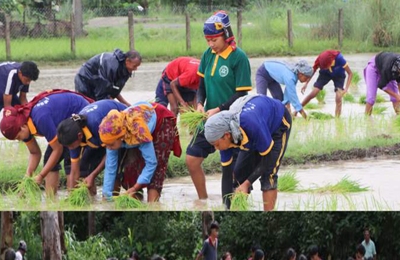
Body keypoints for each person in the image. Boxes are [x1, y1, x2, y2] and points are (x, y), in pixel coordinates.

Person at [186, 10, 252, 202]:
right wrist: (199, 103)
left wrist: (219, 108)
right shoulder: (208, 55)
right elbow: (201, 85)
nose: (211, 44)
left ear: (226, 35)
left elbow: (242, 92)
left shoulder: (238, 57)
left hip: (233, 119)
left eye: (214, 39)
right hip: (208, 119)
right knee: (191, 160)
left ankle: (236, 204)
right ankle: (203, 201)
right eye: (208, 40)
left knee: (234, 169)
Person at [204, 95, 292, 210]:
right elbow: (227, 174)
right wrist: (225, 208)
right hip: (253, 128)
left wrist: (247, 183)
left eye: (216, 144)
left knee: (269, 175)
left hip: (278, 123)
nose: (216, 148)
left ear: (226, 135)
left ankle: (269, 221)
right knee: (239, 175)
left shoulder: (251, 125)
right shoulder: (224, 139)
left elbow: (267, 158)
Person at [0, 90, 93, 195]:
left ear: (22, 127)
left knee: (70, 161)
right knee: (49, 159)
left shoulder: (40, 118)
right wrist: (26, 179)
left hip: (79, 112)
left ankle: (76, 198)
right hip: (62, 123)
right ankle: (51, 201)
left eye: (18, 137)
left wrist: (41, 176)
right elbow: (35, 153)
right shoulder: (23, 125)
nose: (19, 140)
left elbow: (58, 149)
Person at [98, 101, 182, 203]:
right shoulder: (111, 134)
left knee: (157, 169)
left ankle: (153, 206)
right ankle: (138, 200)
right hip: (137, 126)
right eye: (106, 144)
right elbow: (110, 166)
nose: (109, 148)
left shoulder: (138, 132)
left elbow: (151, 163)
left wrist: (134, 188)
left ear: (120, 137)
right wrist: (106, 195)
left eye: (111, 145)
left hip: (161, 122)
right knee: (131, 168)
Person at [55, 99, 127, 195]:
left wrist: (93, 175)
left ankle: (111, 202)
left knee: (114, 170)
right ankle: (92, 201)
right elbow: (74, 170)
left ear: (80, 136)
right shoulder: (73, 134)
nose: (71, 148)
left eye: (71, 146)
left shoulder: (96, 125)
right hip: (99, 136)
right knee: (84, 169)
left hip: (121, 132)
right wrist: (72, 195)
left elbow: (110, 154)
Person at [0, 61, 40, 142]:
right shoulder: (11, 75)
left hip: (7, 92)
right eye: (27, 80)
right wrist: (9, 121)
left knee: (21, 115)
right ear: (20, 73)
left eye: (30, 80)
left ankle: (24, 144)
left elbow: (23, 98)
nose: (28, 82)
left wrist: (28, 114)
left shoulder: (27, 75)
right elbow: (7, 107)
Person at [74, 49, 142, 105]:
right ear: (127, 61)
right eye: (135, 66)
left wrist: (127, 105)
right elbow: (102, 94)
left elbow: (115, 91)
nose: (135, 69)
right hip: (85, 80)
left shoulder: (126, 71)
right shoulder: (111, 67)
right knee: (87, 106)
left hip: (97, 84)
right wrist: (117, 105)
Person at [301, 49, 353, 118]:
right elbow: (313, 71)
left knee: (338, 97)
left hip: (338, 73)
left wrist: (346, 89)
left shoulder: (339, 58)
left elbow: (350, 73)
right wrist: (306, 83)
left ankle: (337, 120)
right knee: (314, 93)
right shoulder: (320, 60)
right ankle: (297, 110)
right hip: (325, 73)